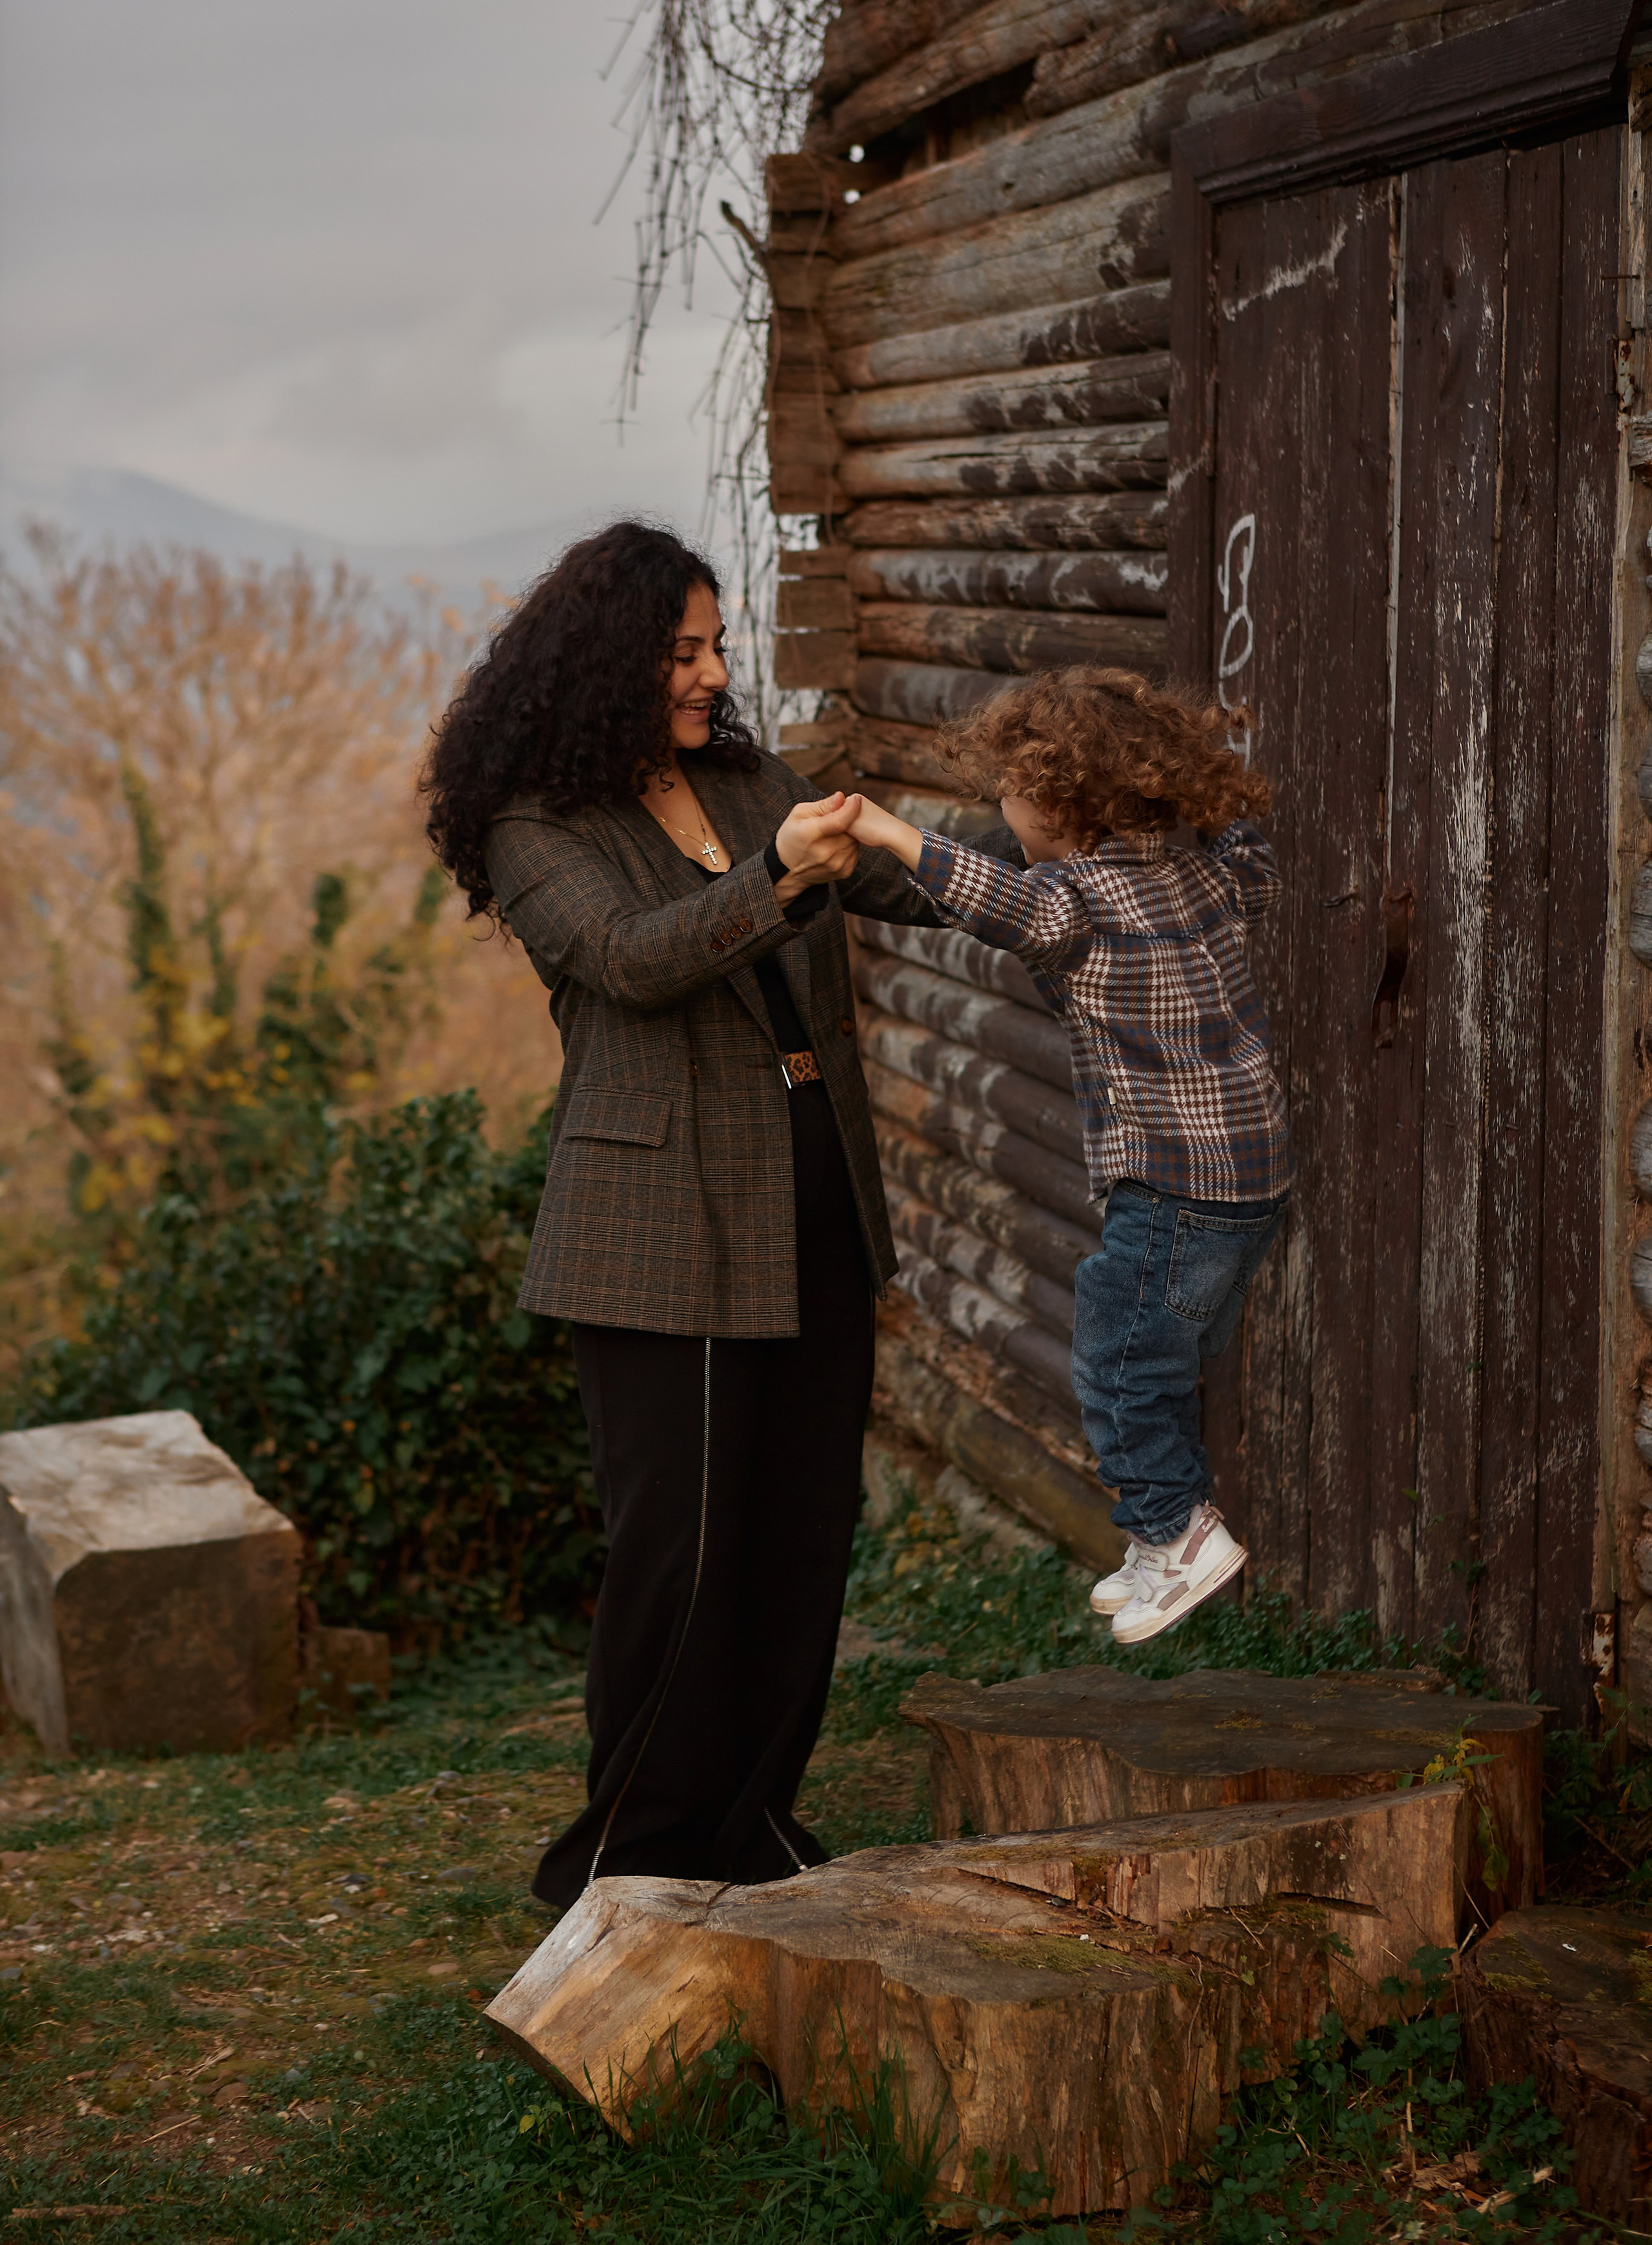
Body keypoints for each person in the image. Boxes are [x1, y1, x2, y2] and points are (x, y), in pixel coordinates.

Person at [420, 518, 999, 1910]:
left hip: (809, 1189)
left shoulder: (746, 779)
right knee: (678, 1558)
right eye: (681, 651)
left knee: (798, 1538)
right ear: (605, 660)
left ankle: (749, 1829)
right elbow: (631, 960)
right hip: (655, 1226)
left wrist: (1042, 840)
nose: (709, 672)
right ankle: (623, 1863)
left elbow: (897, 881)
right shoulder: (537, 825)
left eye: (716, 644)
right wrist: (780, 875)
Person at [843, 665, 1291, 1646]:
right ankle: (1153, 1531)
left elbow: (995, 895)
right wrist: (1198, 794)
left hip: (1175, 1180)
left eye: (1010, 797)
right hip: (1253, 1173)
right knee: (1158, 1349)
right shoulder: (1209, 867)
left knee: (1118, 1359)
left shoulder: (1073, 900)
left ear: (1054, 804)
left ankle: (1178, 1533)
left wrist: (886, 832)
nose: (1004, 816)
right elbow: (1251, 850)